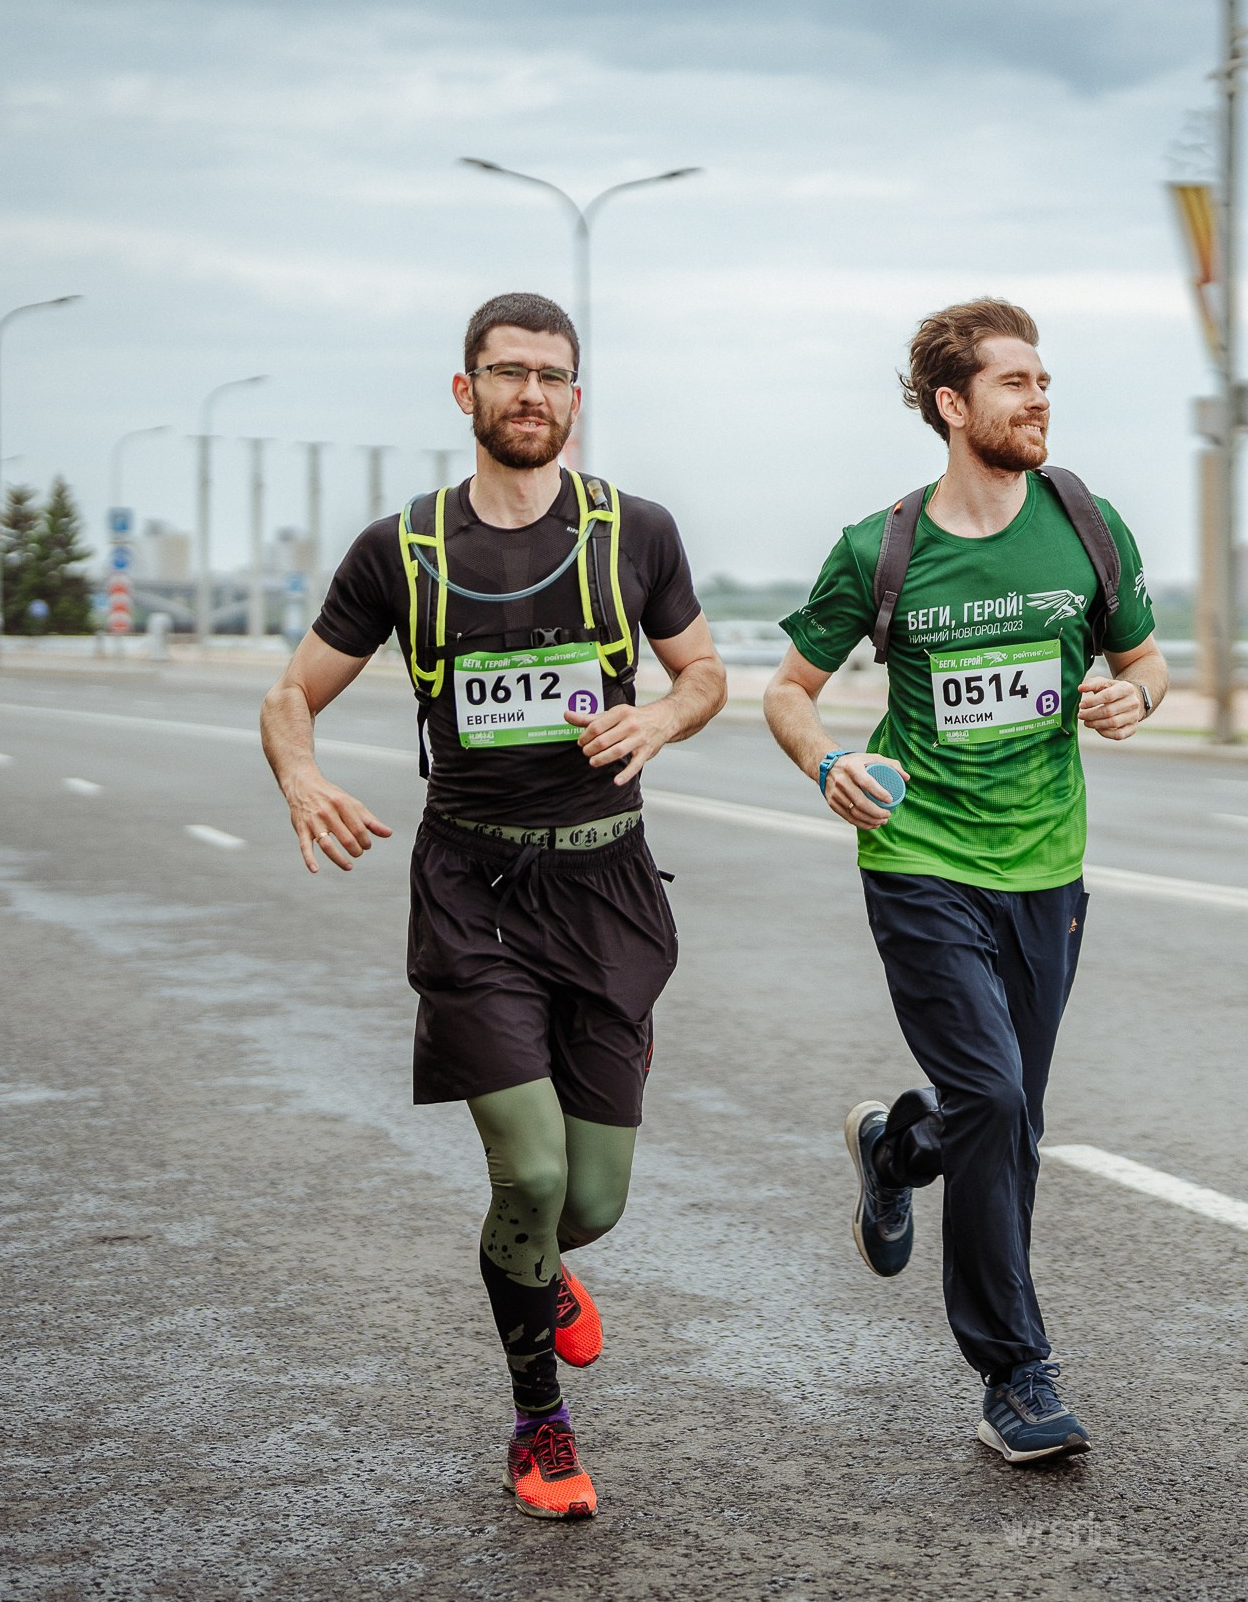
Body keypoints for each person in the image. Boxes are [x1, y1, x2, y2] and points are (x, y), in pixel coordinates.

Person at [258, 292, 726, 1521]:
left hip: (608, 886)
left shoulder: (637, 531)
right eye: (508, 372)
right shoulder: (401, 552)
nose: (532, 393)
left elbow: (706, 671)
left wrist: (663, 716)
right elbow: (288, 699)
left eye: (553, 375)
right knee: (526, 1175)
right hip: (472, 891)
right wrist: (303, 780)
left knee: (589, 1203)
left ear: (577, 397)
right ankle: (539, 1428)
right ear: (463, 393)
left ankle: (552, 1263)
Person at [763, 297, 1167, 1464]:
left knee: (1007, 1119)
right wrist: (829, 760)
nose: (1040, 400)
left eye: (1044, 382)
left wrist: (1134, 697)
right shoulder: (880, 548)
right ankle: (1015, 1375)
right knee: (995, 1102)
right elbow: (789, 690)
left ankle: (894, 1151)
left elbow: (1144, 662)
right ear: (953, 405)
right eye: (1015, 384)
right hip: (921, 858)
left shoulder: (1086, 524)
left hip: (1047, 865)